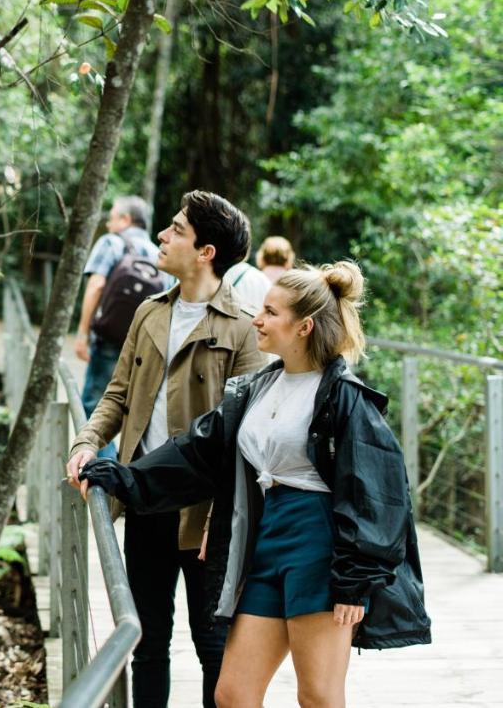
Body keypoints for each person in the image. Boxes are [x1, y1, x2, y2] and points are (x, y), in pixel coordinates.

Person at [79, 261, 431, 708]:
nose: (257, 320)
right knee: (233, 694)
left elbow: (380, 494)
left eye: (269, 312)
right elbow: (198, 450)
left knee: (319, 695)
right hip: (266, 542)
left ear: (303, 326)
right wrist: (125, 477)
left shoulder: (345, 398)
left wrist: (355, 582)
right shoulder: (259, 387)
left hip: (320, 548)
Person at [66, 190, 265, 708]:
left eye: (176, 229)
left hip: (206, 515)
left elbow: (248, 437)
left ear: (206, 252)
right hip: (145, 499)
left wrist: (225, 516)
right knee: (147, 644)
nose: (162, 235)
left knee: (212, 647)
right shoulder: (148, 313)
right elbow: (117, 395)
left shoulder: (244, 329)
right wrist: (88, 443)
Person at [74, 195, 167, 459]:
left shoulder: (111, 243)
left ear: (126, 220)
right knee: (136, 412)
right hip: (145, 343)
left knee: (94, 407)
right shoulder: (158, 252)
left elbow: (96, 285)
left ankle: (100, 476)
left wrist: (82, 333)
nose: (107, 224)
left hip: (109, 341)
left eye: (112, 217)